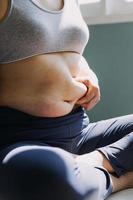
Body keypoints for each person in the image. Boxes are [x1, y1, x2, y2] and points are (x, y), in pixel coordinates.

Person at [0, 0, 133, 199]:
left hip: (79, 130)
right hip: (21, 137)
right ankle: (119, 180)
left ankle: (96, 161)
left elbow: (69, 47)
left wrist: (89, 74)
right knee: (36, 175)